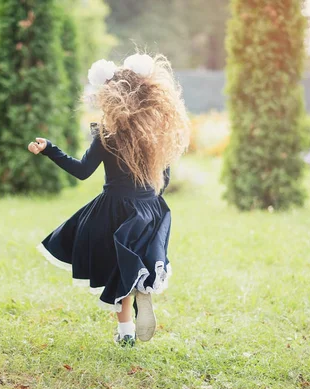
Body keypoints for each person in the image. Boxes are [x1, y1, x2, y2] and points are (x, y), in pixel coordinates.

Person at [28, 53, 190, 346]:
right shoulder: (154, 133)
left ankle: (126, 332)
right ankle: (142, 291)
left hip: (116, 209)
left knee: (118, 268)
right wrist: (152, 201)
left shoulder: (107, 135)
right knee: (134, 264)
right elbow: (163, 176)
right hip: (150, 207)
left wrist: (50, 149)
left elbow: (81, 171)